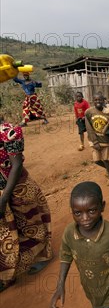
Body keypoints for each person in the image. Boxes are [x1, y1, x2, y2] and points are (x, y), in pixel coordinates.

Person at [0, 118, 52, 292]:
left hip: (17, 187)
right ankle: (7, 274)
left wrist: (5, 197)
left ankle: (42, 256)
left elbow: (16, 165)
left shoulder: (9, 132)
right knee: (6, 234)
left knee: (30, 224)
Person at [85, 93, 109, 185]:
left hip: (105, 140)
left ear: (103, 101)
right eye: (96, 100)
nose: (98, 101)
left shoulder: (107, 112)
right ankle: (108, 168)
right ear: (93, 101)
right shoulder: (89, 112)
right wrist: (95, 141)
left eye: (100, 100)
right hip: (94, 140)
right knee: (97, 160)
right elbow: (89, 128)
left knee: (105, 159)